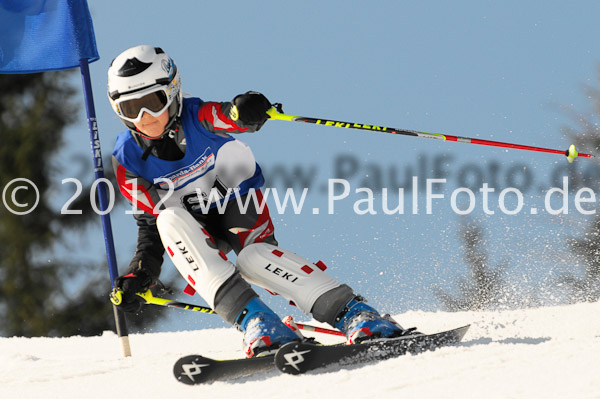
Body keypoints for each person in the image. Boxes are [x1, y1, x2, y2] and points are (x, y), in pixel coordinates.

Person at [109, 45, 416, 357]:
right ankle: (258, 321)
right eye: (131, 109)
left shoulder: (196, 116)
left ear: (173, 92)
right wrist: (141, 273)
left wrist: (247, 108)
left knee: (255, 258)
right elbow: (150, 225)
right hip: (190, 220)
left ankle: (355, 313)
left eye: (152, 102)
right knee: (168, 220)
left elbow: (229, 116)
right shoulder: (127, 162)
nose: (145, 117)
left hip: (235, 203)